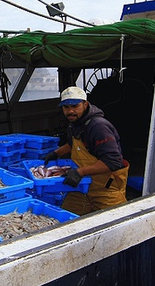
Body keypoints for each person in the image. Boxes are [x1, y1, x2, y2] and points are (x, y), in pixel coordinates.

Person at [43, 86, 128, 215]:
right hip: (82, 186)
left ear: (85, 104)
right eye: (66, 107)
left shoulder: (99, 127)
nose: (70, 111)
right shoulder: (75, 123)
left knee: (116, 223)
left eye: (75, 106)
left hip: (105, 189)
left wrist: (79, 172)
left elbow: (113, 161)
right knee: (64, 219)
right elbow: (73, 143)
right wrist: (56, 153)